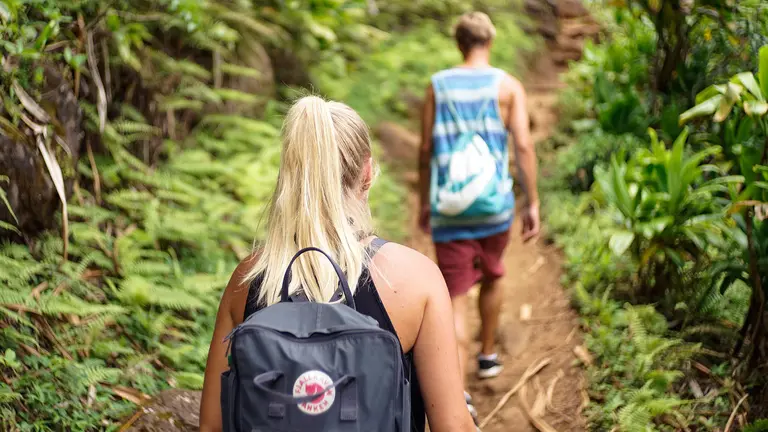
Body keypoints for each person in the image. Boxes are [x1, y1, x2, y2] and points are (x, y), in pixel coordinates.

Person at [199, 96, 478, 432]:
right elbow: (452, 427)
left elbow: (213, 427)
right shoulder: (414, 278)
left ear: (289, 174)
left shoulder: (248, 280)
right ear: (367, 173)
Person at [417, 11, 540, 415]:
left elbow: (425, 150)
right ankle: (487, 357)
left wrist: (424, 202)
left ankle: (456, 388)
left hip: (449, 208)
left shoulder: (437, 85)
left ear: (459, 43)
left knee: (454, 296)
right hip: (493, 207)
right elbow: (522, 145)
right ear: (490, 41)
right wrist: (532, 201)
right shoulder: (508, 86)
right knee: (493, 273)